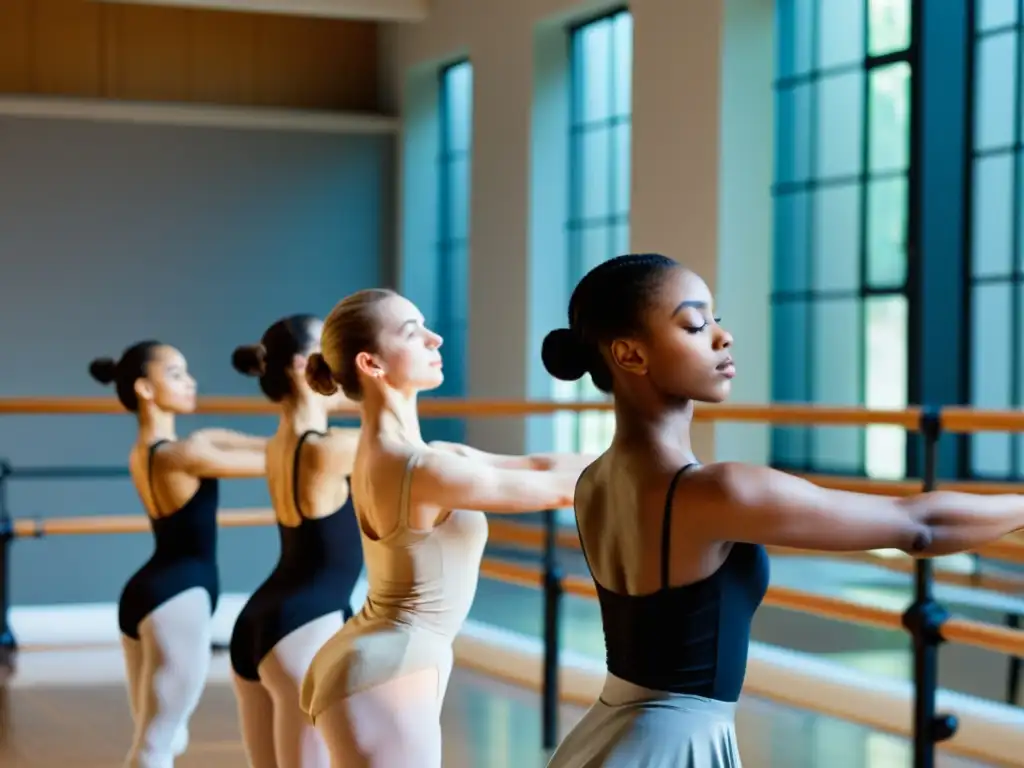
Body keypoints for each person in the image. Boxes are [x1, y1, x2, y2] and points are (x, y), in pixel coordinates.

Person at [540, 253, 1024, 768]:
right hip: (674, 744)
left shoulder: (594, 480)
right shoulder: (717, 493)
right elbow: (920, 526)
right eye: (695, 325)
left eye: (717, 322)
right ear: (630, 355)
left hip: (607, 732)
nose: (722, 338)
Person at [296, 288, 591, 768]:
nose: (435, 339)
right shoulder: (419, 468)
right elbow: (559, 489)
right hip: (388, 669)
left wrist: (645, 449)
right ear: (371, 364)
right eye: (413, 334)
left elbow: (541, 463)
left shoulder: (417, 455)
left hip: (378, 659)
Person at [89, 341, 268, 768]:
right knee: (156, 743)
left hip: (150, 591)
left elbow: (257, 444)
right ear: (145, 389)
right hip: (180, 598)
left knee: (163, 737)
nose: (191, 382)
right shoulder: (181, 455)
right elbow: (283, 460)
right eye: (175, 374)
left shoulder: (155, 450)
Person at [228, 314, 366, 768]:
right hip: (306, 626)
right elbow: (406, 442)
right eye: (330, 352)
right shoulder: (332, 447)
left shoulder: (279, 443)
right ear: (298, 366)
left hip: (260, 619)